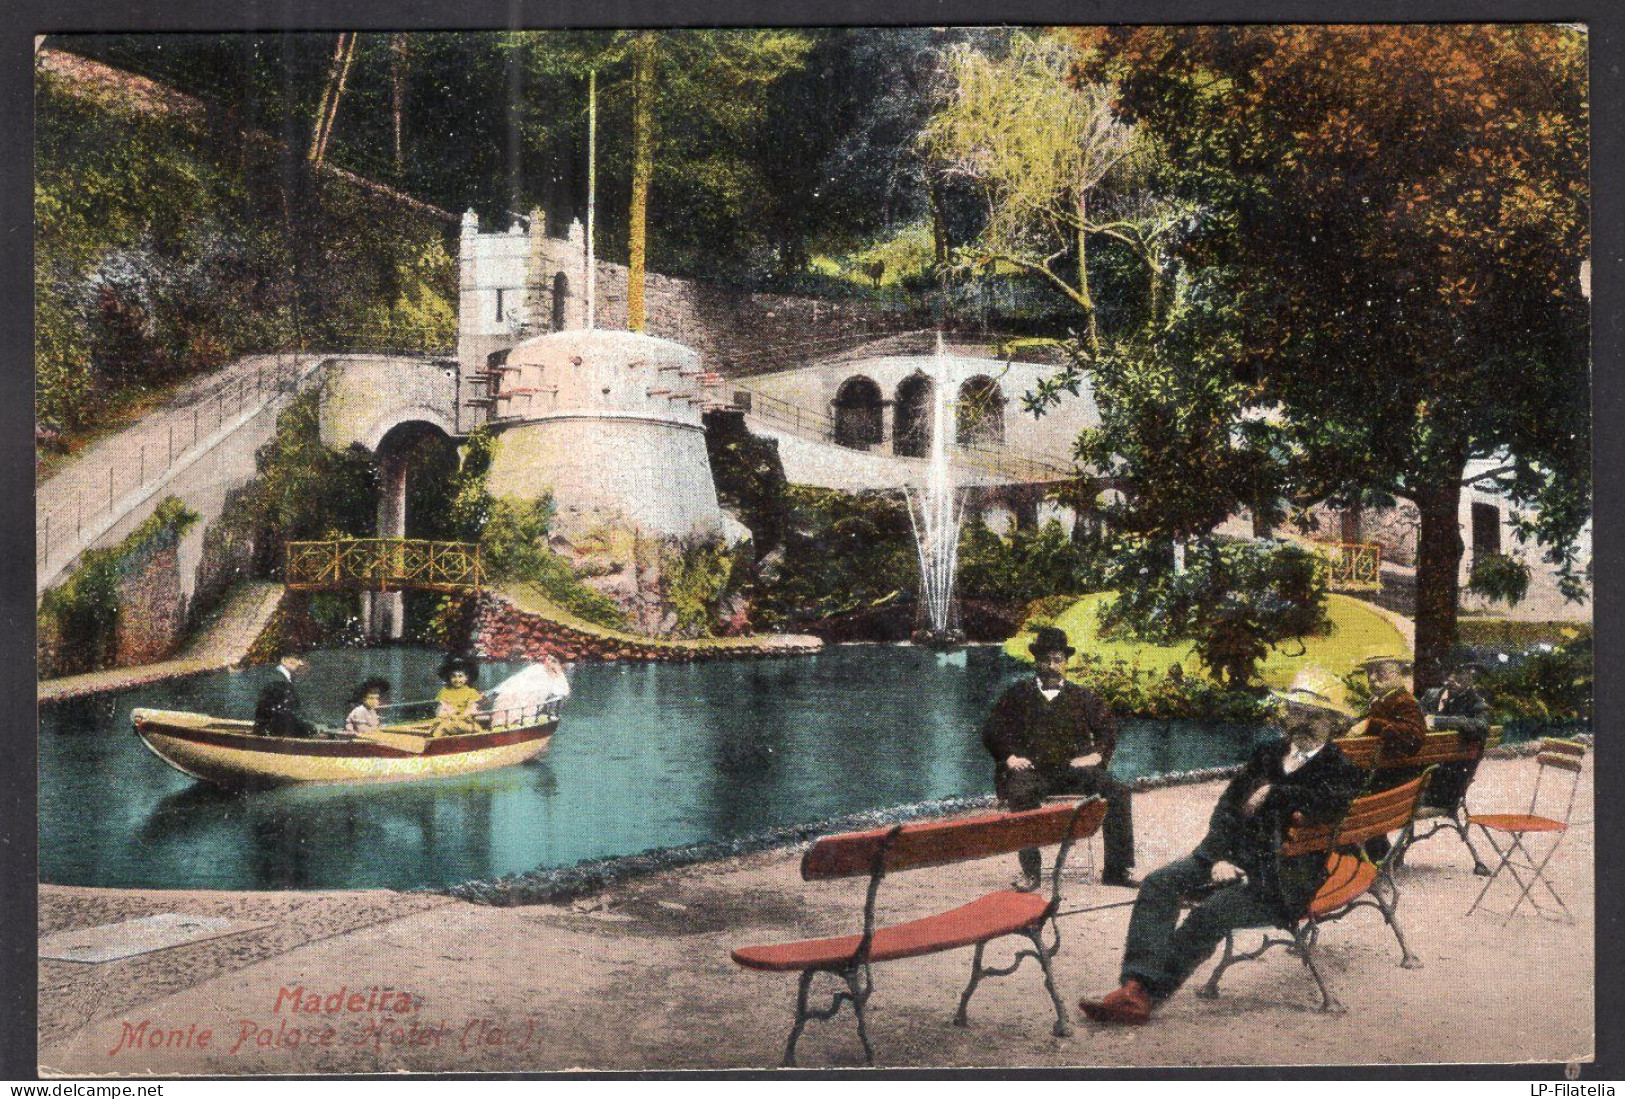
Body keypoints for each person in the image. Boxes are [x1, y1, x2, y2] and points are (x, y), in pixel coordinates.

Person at [1075, 675, 1365, 1025]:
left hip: (1282, 880)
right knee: (1159, 883)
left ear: (1334, 723)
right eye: (1294, 710)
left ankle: (1144, 996)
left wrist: (1275, 792)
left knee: (1209, 914)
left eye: (1314, 715)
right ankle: (1134, 986)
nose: (1301, 721)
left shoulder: (1342, 770)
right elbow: (1227, 808)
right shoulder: (1268, 753)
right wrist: (1218, 858)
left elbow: (1328, 803)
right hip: (1230, 860)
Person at [982, 626, 1136, 890]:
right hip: (1033, 771)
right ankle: (1031, 873)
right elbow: (992, 731)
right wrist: (1009, 757)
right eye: (1045, 659)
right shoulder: (1017, 694)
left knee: (1118, 790)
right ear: (1036, 661)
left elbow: (1107, 731)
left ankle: (1116, 870)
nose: (1051, 666)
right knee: (1020, 793)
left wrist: (1097, 755)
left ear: (1065, 662)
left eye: (1057, 659)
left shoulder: (1083, 696)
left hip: (1072, 772)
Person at [1346, 654, 1428, 858]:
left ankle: (1367, 853)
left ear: (1399, 675)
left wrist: (1370, 724)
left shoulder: (1404, 701)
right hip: (1386, 775)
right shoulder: (1383, 700)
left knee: (1344, 789)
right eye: (1369, 673)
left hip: (1394, 780)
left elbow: (1414, 737)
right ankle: (1374, 852)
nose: (1373, 678)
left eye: (1380, 672)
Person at [1420, 657, 1492, 811]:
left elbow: (1482, 726)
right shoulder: (1431, 696)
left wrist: (1437, 721)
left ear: (1471, 675)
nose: (1450, 679)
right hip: (1420, 776)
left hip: (1442, 788)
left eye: (1458, 673)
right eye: (1447, 673)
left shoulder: (1476, 703)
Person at [253, 650, 319, 738]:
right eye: (297, 658)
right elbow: (285, 711)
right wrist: (307, 727)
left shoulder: (279, 677)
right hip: (273, 732)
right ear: (284, 660)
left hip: (270, 729)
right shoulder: (279, 680)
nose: (300, 663)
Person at [431, 655, 484, 737]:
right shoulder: (445, 691)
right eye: (453, 676)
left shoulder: (471, 692)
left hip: (465, 721)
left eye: (460, 676)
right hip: (449, 719)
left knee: (464, 727)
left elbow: (472, 708)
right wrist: (451, 714)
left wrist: (463, 715)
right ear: (449, 677)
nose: (457, 680)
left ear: (466, 677)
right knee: (441, 725)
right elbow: (442, 707)